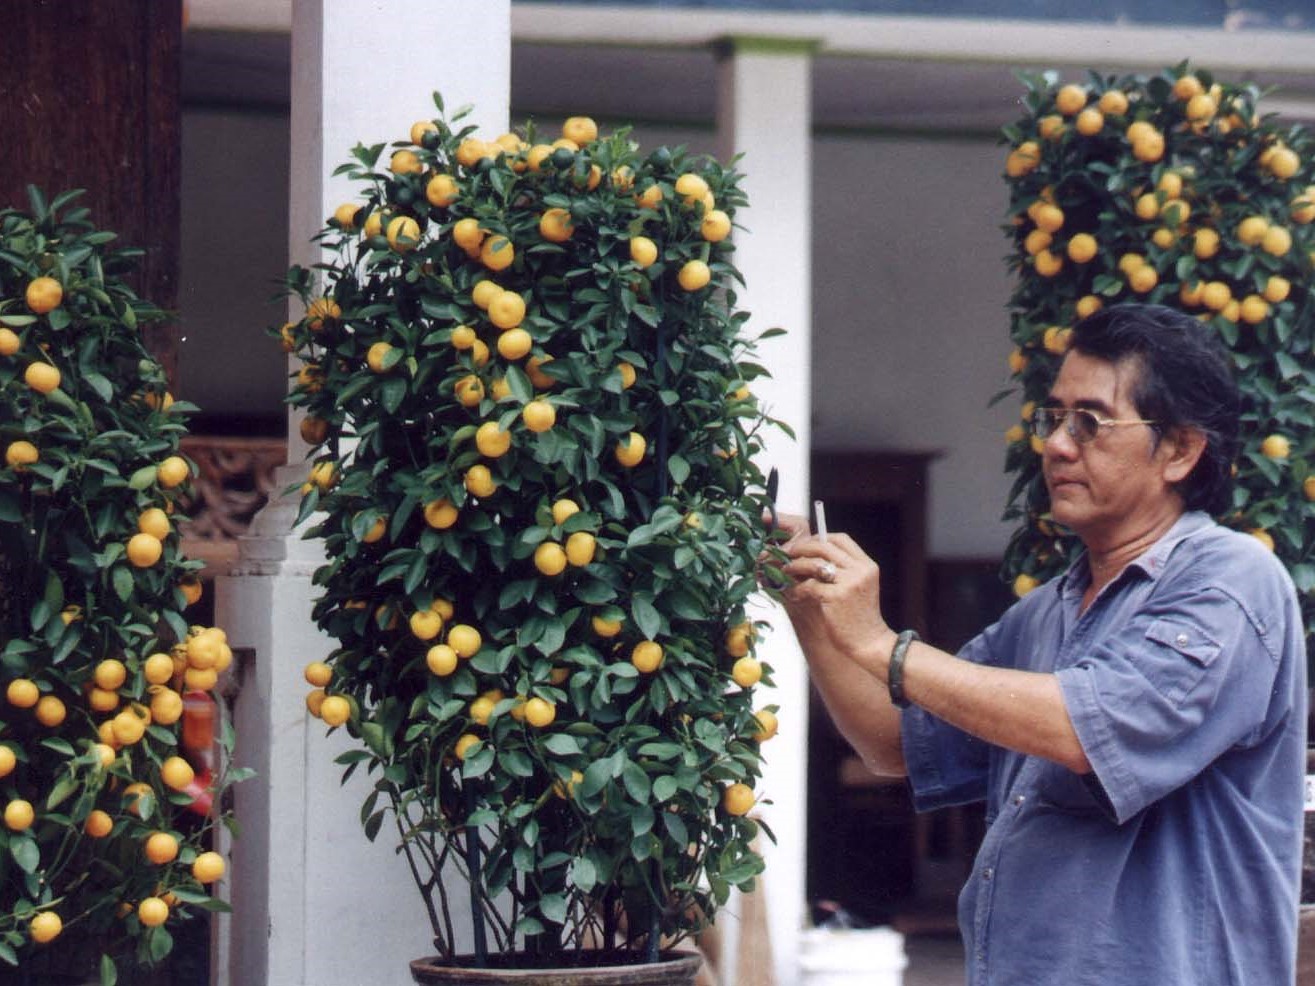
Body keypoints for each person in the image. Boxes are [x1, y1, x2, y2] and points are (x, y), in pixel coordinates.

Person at [776, 303, 1306, 985]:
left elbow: (1084, 728)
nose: (1056, 445)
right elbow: (893, 741)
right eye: (1053, 417)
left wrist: (886, 647)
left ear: (1178, 449)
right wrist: (804, 601)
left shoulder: (1231, 582)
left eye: (1089, 422)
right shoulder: (1045, 612)